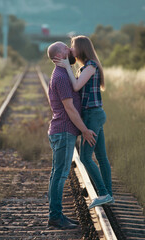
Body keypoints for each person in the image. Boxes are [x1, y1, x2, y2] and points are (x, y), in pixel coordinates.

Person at [54, 35, 114, 208]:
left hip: (93, 115)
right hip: (92, 115)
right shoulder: (84, 68)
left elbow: (76, 86)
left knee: (86, 158)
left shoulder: (91, 66)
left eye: (72, 46)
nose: (71, 50)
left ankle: (103, 193)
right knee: (101, 157)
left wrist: (66, 67)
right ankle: (108, 194)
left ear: (80, 48)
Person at [46, 41, 97, 229]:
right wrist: (84, 130)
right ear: (59, 55)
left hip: (62, 131)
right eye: (67, 49)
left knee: (56, 174)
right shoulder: (60, 77)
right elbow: (69, 108)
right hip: (64, 130)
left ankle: (55, 215)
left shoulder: (62, 74)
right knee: (59, 175)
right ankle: (56, 217)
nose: (70, 50)